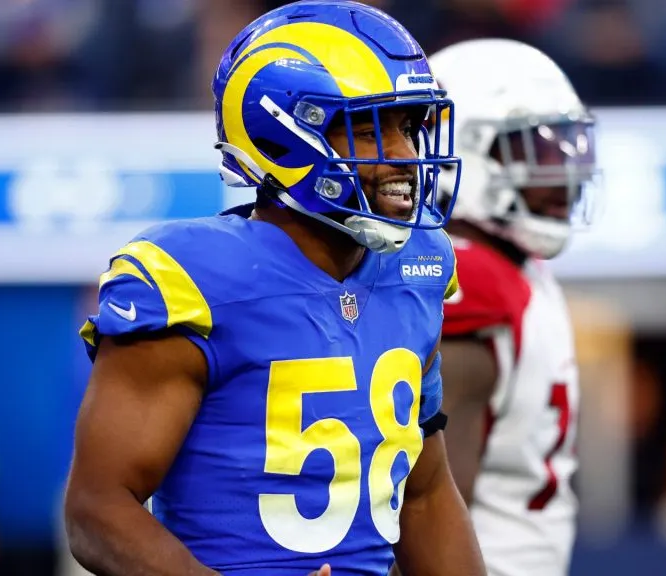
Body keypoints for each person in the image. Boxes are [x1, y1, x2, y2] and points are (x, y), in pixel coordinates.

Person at [62, 2, 486, 575]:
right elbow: (97, 509)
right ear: (283, 133)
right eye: (368, 128)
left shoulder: (421, 265)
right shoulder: (195, 278)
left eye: (408, 126)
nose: (405, 157)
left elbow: (424, 491)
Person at [428, 38, 599, 576]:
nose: (563, 174)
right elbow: (427, 500)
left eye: (569, 148)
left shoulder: (516, 267)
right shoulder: (468, 275)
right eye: (537, 152)